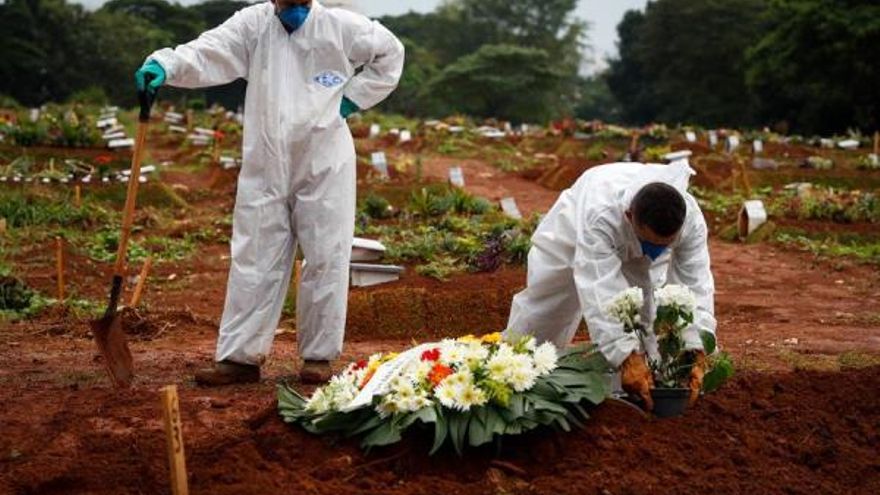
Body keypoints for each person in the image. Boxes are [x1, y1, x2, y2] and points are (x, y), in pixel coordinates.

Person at [134, 0, 404, 385]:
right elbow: (208, 50)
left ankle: (317, 357)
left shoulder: (342, 26)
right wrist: (166, 64)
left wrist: (352, 99)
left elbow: (391, 52)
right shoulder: (253, 25)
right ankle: (240, 358)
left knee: (327, 253)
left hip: (324, 159)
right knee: (254, 252)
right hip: (265, 159)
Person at [504, 161, 716, 410]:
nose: (655, 252)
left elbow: (695, 286)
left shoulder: (690, 221)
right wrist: (626, 357)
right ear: (629, 217)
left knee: (649, 309)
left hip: (634, 232)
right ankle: (516, 374)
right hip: (576, 228)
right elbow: (600, 290)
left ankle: (643, 388)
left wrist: (696, 348)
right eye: (651, 243)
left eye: (664, 245)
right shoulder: (600, 216)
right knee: (548, 302)